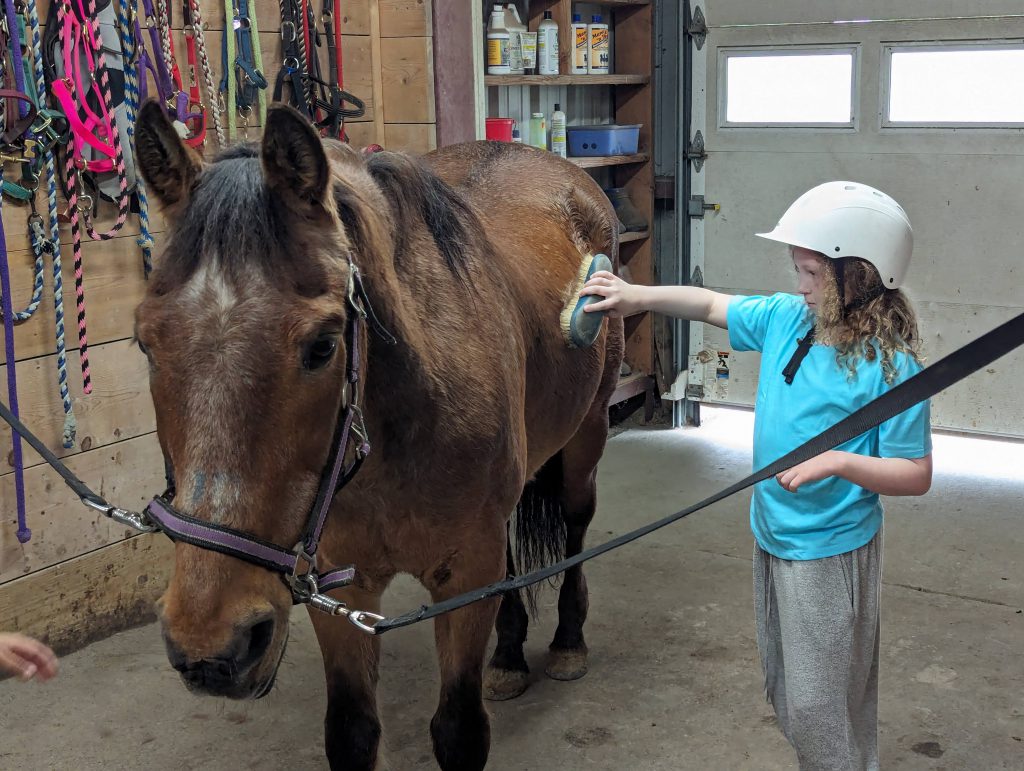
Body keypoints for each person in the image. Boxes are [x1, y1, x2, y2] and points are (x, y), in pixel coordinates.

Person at [581, 181, 932, 770]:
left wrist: (839, 462)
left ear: (863, 275)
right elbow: (710, 305)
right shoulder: (785, 320)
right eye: (798, 270)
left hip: (827, 551)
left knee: (820, 710)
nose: (800, 285)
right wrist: (634, 293)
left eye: (813, 274)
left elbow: (915, 473)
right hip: (772, 537)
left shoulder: (891, 367)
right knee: (788, 693)